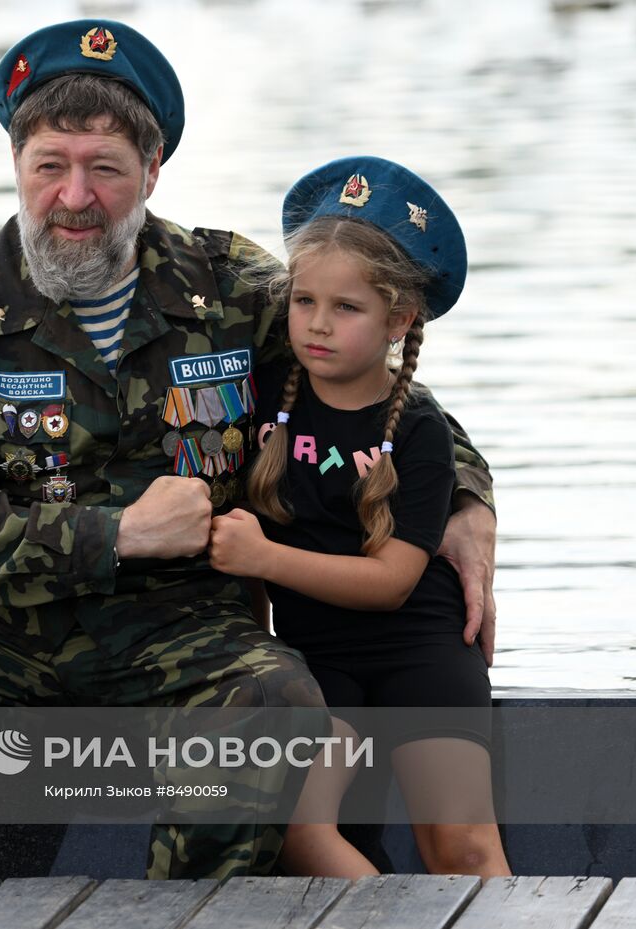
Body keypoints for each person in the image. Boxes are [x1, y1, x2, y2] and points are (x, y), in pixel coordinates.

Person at [0, 19, 497, 881]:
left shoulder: (230, 288)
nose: (74, 195)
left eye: (105, 168)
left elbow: (371, 385)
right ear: (18, 167)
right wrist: (118, 535)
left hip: (179, 631)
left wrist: (466, 499)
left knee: (274, 700)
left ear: (152, 171)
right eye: (50, 165)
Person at [209, 156, 511, 879]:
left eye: (346, 309)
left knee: (462, 845)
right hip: (318, 664)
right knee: (302, 835)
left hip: (424, 650)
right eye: (303, 301)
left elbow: (392, 583)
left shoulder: (421, 431)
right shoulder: (262, 407)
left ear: (399, 319)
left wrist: (265, 560)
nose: (317, 325)